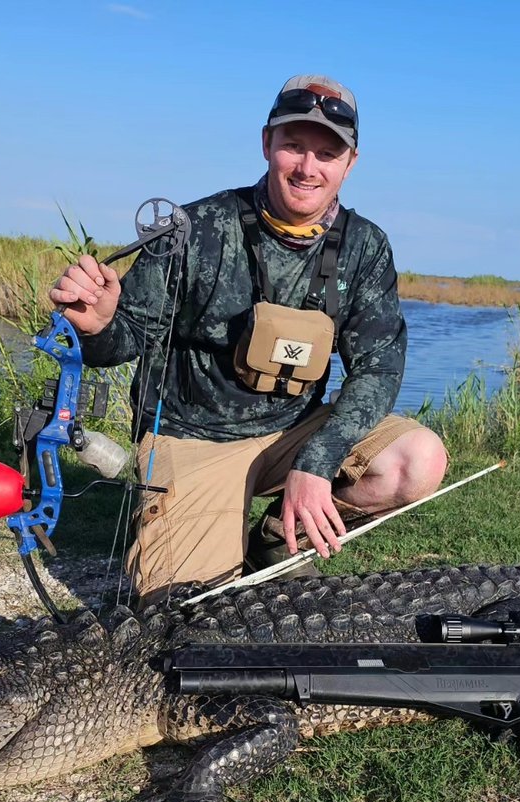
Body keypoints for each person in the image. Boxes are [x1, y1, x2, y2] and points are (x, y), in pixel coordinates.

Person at [48, 74, 448, 601]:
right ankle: (199, 525)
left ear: (350, 163)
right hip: (193, 437)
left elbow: (378, 367)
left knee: (418, 459)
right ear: (267, 144)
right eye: (294, 146)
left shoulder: (366, 247)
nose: (308, 167)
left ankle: (277, 540)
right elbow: (125, 340)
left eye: (327, 153)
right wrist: (97, 324)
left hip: (293, 431)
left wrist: (318, 460)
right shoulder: (196, 227)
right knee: (187, 606)